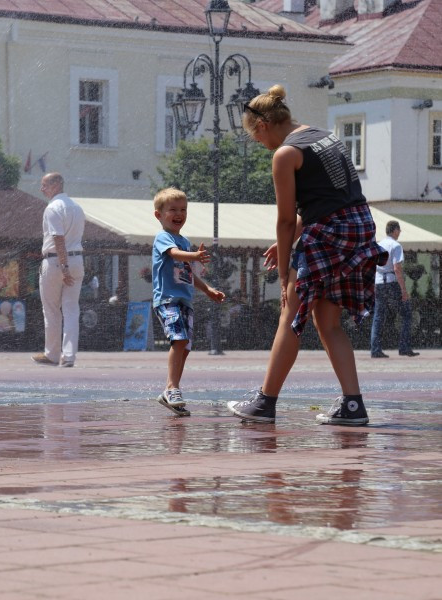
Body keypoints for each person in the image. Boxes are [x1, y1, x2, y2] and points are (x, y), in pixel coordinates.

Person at [226, 85, 387, 426]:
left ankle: (264, 403)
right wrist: (297, 233)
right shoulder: (325, 137)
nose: (259, 144)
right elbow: (329, 197)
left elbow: (284, 219)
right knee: (327, 322)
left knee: (290, 312)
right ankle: (353, 405)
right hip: (358, 226)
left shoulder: (285, 154)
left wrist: (284, 272)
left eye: (255, 137)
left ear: (264, 126)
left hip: (329, 233)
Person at [151, 187, 225, 416]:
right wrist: (193, 256)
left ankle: (169, 391)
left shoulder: (184, 241)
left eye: (183, 209)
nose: (179, 214)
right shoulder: (164, 238)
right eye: (172, 209)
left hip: (185, 301)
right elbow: (173, 254)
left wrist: (208, 289)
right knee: (179, 339)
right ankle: (173, 387)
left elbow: (187, 274)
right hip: (167, 300)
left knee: (184, 348)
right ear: (159, 215)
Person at [32, 172, 85, 368]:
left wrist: (64, 267)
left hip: (56, 262)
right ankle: (69, 356)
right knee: (71, 309)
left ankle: (52, 354)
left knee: (52, 310)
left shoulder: (53, 208)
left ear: (56, 185)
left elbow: (58, 238)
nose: (42, 189)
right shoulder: (77, 207)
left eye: (44, 185)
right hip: (77, 259)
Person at [370, 220, 418, 358]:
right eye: (399, 230)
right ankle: (404, 347)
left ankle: (375, 350)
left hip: (378, 282)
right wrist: (403, 290)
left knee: (378, 316)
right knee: (406, 314)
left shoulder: (378, 244)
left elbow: (372, 266)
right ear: (395, 230)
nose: (400, 233)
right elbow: (397, 269)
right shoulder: (396, 245)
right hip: (391, 282)